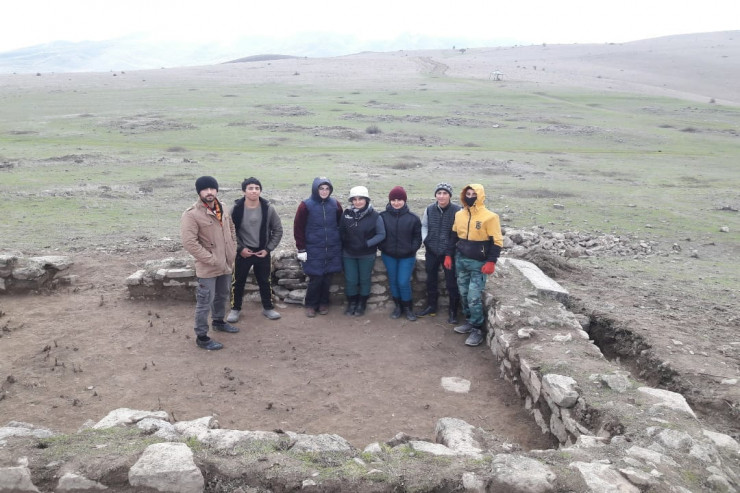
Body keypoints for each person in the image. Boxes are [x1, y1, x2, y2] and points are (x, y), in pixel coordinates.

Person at [181, 176, 239, 350]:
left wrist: (233, 249)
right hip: (208, 267)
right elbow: (189, 243)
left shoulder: (224, 208)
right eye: (205, 189)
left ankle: (219, 321)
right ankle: (202, 337)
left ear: (217, 190)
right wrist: (211, 259)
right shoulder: (191, 215)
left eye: (212, 189)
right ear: (199, 192)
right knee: (205, 301)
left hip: (227, 263)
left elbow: (231, 230)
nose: (209, 192)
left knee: (222, 295)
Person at [444, 184, 503, 347]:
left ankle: (477, 328)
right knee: (463, 293)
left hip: (479, 263)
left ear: (480, 196)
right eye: (467, 194)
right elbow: (453, 236)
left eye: (473, 194)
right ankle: (470, 321)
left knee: (473, 296)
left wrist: (491, 261)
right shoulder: (459, 214)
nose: (470, 196)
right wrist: (449, 255)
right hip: (461, 259)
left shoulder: (490, 217)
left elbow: (497, 242)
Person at [226, 177, 283, 324]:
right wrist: (240, 249)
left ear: (260, 191)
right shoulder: (236, 209)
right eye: (250, 188)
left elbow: (277, 230)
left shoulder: (268, 209)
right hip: (243, 253)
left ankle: (268, 307)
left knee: (265, 281)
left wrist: (268, 249)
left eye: (257, 188)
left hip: (262, 252)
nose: (254, 191)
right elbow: (229, 232)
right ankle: (235, 309)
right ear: (244, 191)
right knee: (238, 282)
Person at [294, 177, 343, 317]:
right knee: (316, 278)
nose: (324, 191)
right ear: (315, 189)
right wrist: (301, 248)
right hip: (313, 248)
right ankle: (310, 304)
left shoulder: (335, 204)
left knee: (328, 278)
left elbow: (341, 225)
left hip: (332, 247)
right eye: (321, 188)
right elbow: (298, 228)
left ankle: (324, 303)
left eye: (327, 188)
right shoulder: (305, 205)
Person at [418, 182, 461, 323]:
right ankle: (431, 307)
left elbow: (459, 233)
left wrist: (452, 249)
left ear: (450, 195)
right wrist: (426, 240)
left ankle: (453, 311)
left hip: (449, 253)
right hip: (431, 250)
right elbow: (424, 226)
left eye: (445, 193)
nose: (441, 196)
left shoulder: (458, 210)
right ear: (435, 195)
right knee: (431, 279)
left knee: (451, 282)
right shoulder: (429, 209)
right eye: (439, 193)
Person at [339, 186, 386, 316]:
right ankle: (352, 303)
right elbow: (341, 231)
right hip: (348, 254)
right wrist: (346, 242)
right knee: (351, 280)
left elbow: (381, 234)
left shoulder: (375, 216)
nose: (357, 202)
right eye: (354, 199)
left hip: (367, 254)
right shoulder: (346, 214)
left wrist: (367, 244)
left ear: (366, 200)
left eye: (360, 199)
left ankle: (362, 304)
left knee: (365, 279)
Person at [379, 186, 422, 321]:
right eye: (393, 199)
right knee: (393, 281)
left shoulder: (413, 218)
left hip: (407, 256)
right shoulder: (382, 216)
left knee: (403, 282)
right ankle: (398, 307)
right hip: (389, 255)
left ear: (405, 200)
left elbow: (417, 238)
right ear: (390, 200)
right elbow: (378, 234)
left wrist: (411, 249)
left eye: (399, 199)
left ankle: (408, 308)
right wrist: (383, 248)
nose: (396, 202)